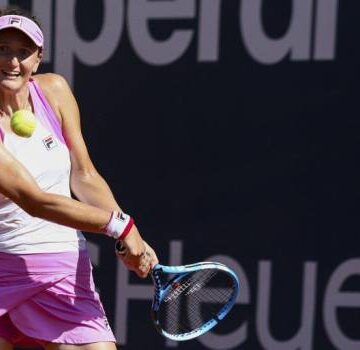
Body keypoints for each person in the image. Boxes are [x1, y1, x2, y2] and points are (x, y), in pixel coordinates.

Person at [0, 7, 158, 350]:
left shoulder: (54, 92)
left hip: (64, 270)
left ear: (38, 59)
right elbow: (34, 201)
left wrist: (130, 235)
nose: (12, 61)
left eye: (23, 52)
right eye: (2, 49)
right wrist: (120, 227)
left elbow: (84, 174)